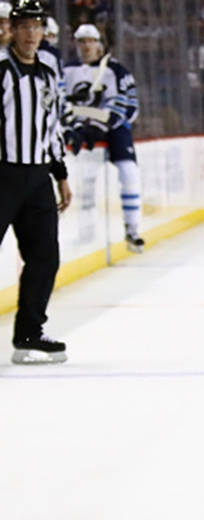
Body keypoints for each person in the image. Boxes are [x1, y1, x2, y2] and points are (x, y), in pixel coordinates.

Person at [0, 0, 72, 364]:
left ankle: (29, 332)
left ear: (44, 31)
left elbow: (51, 126)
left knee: (45, 256)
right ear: (11, 29)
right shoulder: (0, 70)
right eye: (24, 26)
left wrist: (60, 173)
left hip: (37, 177)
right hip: (2, 174)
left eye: (37, 26)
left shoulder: (47, 70)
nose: (31, 34)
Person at [63, 23, 145, 253]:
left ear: (99, 43)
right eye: (81, 41)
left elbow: (129, 107)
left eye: (90, 41)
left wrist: (96, 121)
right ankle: (86, 229)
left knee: (129, 172)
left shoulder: (116, 70)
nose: (86, 46)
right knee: (85, 178)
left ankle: (132, 228)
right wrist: (80, 122)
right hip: (82, 129)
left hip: (114, 128)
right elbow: (63, 104)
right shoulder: (67, 70)